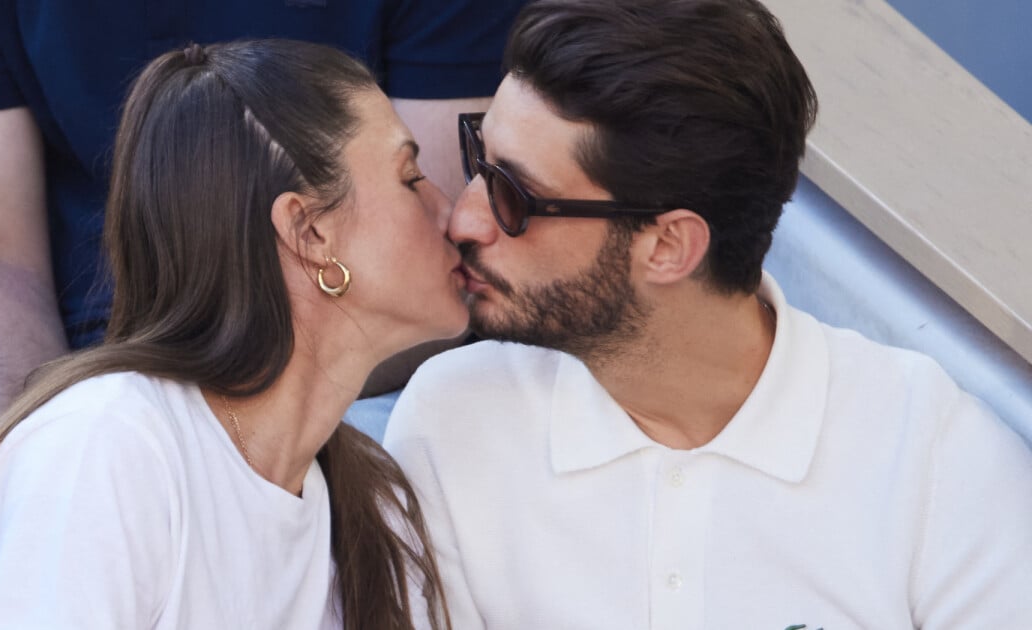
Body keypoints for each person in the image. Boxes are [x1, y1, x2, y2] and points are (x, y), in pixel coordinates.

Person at [0, 0, 527, 598]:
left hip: (347, 386)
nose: (465, 214)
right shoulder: (86, 435)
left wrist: (229, 430)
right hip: (63, 385)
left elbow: (424, 258)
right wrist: (45, 450)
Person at [383, 0, 1032, 628]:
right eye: (478, 158)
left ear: (669, 247)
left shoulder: (938, 463)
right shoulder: (452, 421)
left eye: (514, 197)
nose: (463, 219)